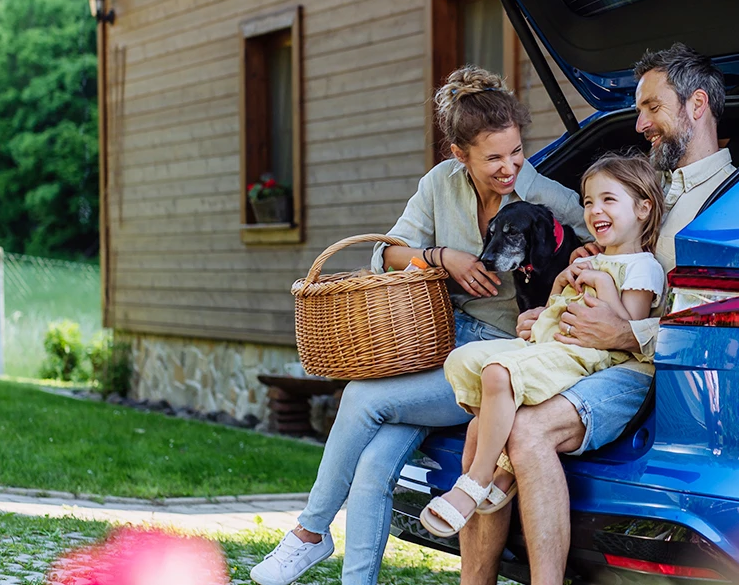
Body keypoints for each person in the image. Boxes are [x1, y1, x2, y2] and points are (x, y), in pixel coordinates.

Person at [249, 65, 589, 585]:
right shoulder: (440, 184)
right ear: (460, 155)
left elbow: (613, 238)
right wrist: (440, 256)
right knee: (373, 465)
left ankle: (309, 533)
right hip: (437, 345)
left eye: (516, 151)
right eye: (493, 157)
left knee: (364, 398)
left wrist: (581, 264)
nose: (510, 167)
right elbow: (385, 257)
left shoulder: (546, 198)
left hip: (498, 359)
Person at [459, 43, 735, 585]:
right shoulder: (647, 188)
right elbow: (606, 269)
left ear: (696, 105)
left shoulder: (730, 199)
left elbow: (714, 314)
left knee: (528, 430)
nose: (640, 123)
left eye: (652, 107)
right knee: (486, 421)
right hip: (585, 358)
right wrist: (547, 318)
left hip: (660, 375)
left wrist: (629, 334)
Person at [421, 155, 666, 538]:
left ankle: (476, 482)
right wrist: (560, 284)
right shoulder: (590, 258)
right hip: (553, 341)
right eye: (587, 202)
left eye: (608, 200)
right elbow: (554, 307)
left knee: (500, 373)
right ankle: (503, 465)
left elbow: (624, 330)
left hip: (590, 355)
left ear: (643, 208)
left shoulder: (642, 267)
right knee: (462, 361)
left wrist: (599, 282)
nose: (594, 210)